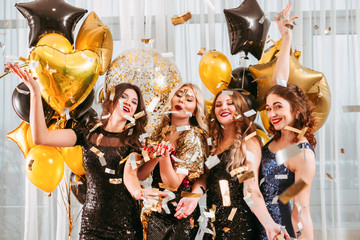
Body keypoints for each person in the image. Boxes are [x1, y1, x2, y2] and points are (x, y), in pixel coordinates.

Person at [6, 62, 156, 239]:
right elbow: (41, 137)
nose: (128, 103)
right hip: (92, 228)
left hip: (127, 229)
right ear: (113, 99)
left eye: (134, 102)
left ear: (136, 111)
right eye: (124, 96)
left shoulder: (134, 145)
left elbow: (131, 176)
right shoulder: (86, 133)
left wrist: (138, 192)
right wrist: (35, 91)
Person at [259, 5, 317, 240]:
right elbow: (279, 80)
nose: (272, 113)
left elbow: (300, 207)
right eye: (269, 108)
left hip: (277, 233)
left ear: (296, 109)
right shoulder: (278, 140)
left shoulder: (301, 154)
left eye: (278, 107)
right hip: (254, 224)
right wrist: (286, 38)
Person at [132, 83, 209, 240]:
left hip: (180, 211)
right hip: (156, 209)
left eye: (189, 99)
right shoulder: (158, 131)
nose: (181, 100)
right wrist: (154, 158)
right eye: (179, 95)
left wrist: (164, 157)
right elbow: (140, 175)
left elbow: (173, 184)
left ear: (195, 110)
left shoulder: (192, 136)